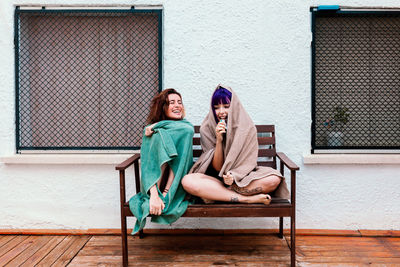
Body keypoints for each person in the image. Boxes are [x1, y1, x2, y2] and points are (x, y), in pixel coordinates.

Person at [182, 85, 289, 205]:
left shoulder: (247, 127)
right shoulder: (207, 128)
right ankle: (246, 199)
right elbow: (217, 168)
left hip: (241, 179)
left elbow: (248, 162)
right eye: (216, 108)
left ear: (234, 107)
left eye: (226, 106)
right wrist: (219, 140)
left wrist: (234, 176)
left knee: (274, 179)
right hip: (216, 180)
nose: (221, 112)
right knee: (188, 181)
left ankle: (216, 194)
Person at [129, 89, 194, 234]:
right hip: (153, 183)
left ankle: (166, 193)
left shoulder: (185, 128)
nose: (177, 106)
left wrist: (157, 126)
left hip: (178, 182)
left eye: (179, 102)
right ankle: (155, 195)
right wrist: (154, 195)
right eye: (172, 102)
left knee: (169, 136)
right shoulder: (154, 132)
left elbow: (181, 161)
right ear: (163, 107)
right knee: (159, 137)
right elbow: (148, 163)